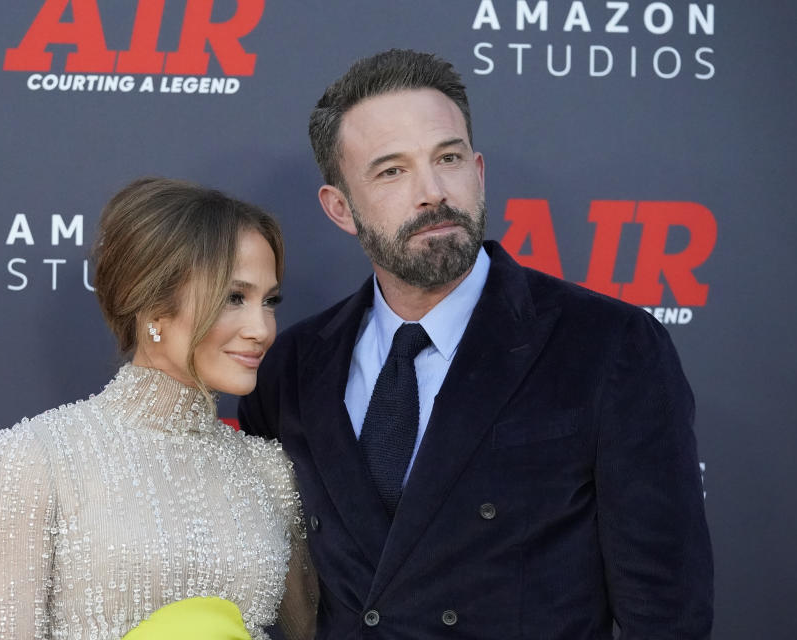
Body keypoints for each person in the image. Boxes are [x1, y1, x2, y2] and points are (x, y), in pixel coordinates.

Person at [239, 49, 713, 639]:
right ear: (341, 208)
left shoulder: (608, 347)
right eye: (392, 171)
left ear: (479, 170)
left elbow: (666, 614)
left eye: (449, 158)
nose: (433, 192)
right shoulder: (293, 367)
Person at [0, 178, 316, 640]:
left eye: (269, 301)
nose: (262, 328)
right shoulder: (38, 459)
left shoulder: (268, 471)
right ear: (152, 307)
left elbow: (313, 631)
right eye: (234, 298)